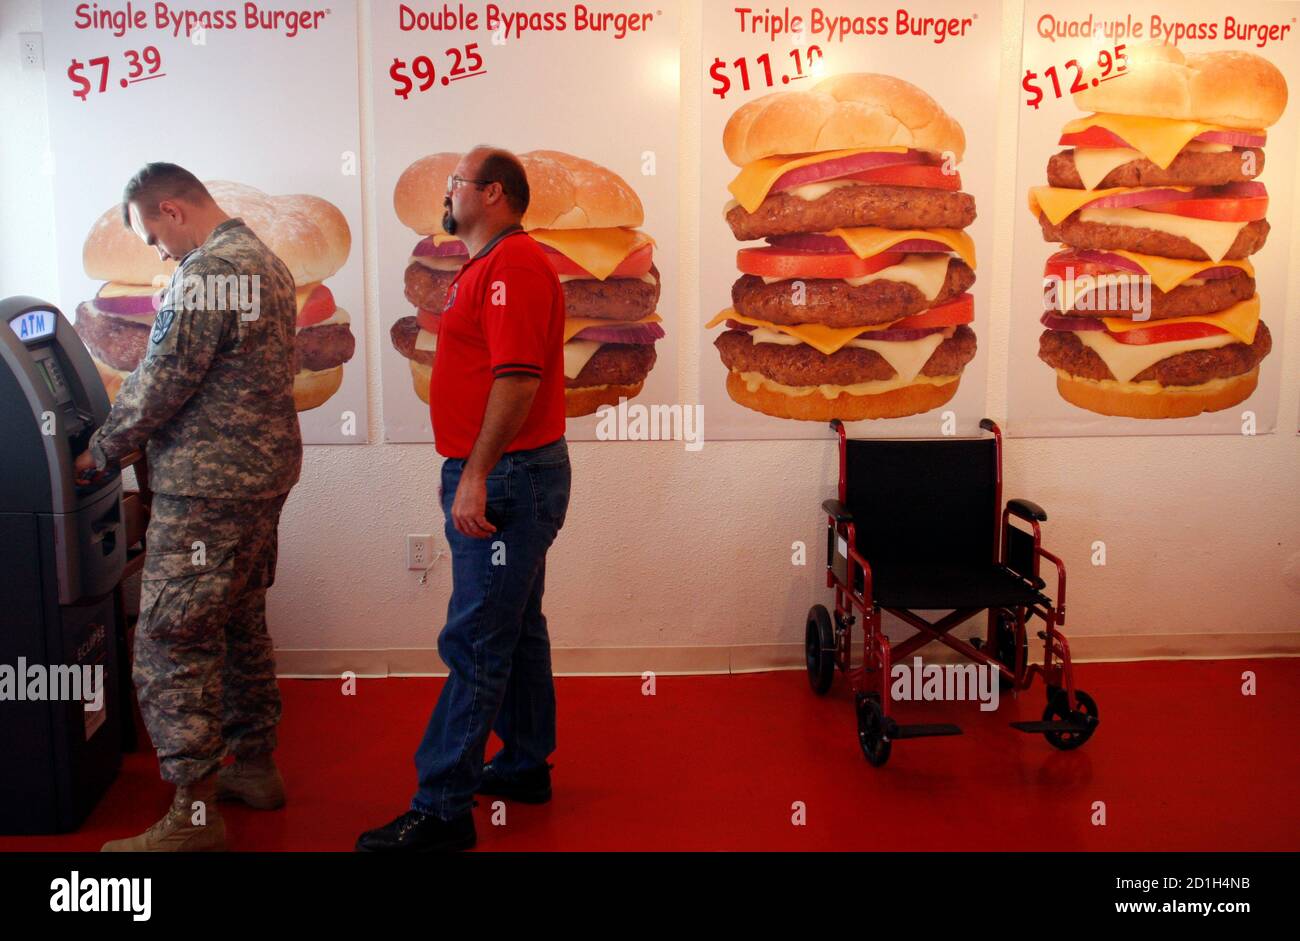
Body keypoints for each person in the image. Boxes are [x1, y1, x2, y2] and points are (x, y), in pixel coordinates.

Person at [76, 163, 303, 852]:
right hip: (261, 477)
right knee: (237, 620)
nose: (159, 250)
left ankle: (195, 816)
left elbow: (161, 381)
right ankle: (254, 766)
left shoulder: (206, 275)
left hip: (206, 489)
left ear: (171, 209)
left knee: (172, 639)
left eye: (153, 235)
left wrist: (100, 452)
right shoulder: (269, 262)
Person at [357, 147, 571, 852]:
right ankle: (524, 762)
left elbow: (516, 379)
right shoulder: (488, 266)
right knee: (518, 627)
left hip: (506, 476)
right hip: (506, 472)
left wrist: (476, 474)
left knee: (475, 638)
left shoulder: (512, 265)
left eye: (458, 183)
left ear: (497, 195)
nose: (448, 193)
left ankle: (441, 808)